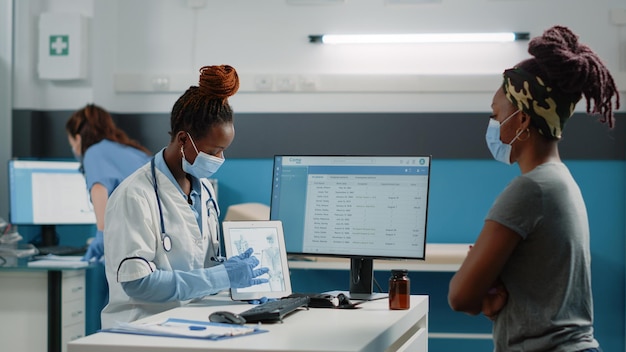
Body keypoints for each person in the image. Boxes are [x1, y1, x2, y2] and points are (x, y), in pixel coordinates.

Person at [448, 25, 619, 352]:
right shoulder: (561, 182)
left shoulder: (530, 190)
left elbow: (460, 297)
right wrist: (496, 296)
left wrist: (478, 288)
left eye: (497, 114)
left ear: (523, 121)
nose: (493, 123)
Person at [100, 65, 269, 328]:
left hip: (191, 321)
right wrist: (221, 277)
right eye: (213, 151)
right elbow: (137, 284)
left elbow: (200, 266)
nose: (219, 159)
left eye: (223, 151)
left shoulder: (205, 192)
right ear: (183, 140)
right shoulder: (135, 195)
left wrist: (237, 280)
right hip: (141, 328)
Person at [66, 104, 152, 262]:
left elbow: (99, 187)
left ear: (78, 139)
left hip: (136, 247)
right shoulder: (134, 151)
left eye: (71, 143)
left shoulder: (93, 153)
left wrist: (102, 235)